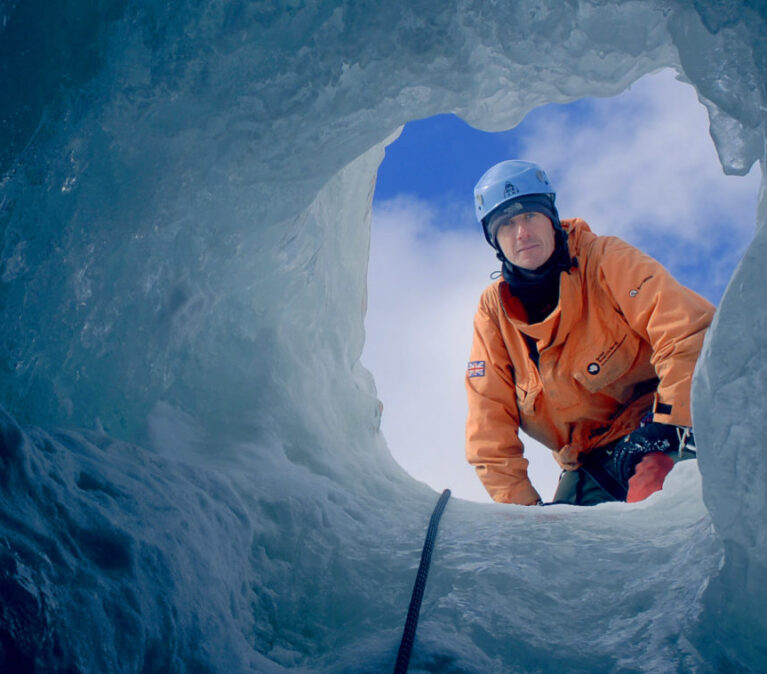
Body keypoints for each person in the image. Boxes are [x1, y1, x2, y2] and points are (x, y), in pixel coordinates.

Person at [464, 160, 715, 506]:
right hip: (589, 462)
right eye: (506, 223)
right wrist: (523, 513)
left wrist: (666, 427)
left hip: (659, 426)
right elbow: (488, 421)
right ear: (494, 240)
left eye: (530, 216)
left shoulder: (605, 259)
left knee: (655, 503)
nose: (521, 232)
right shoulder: (494, 314)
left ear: (551, 219)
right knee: (566, 549)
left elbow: (685, 331)